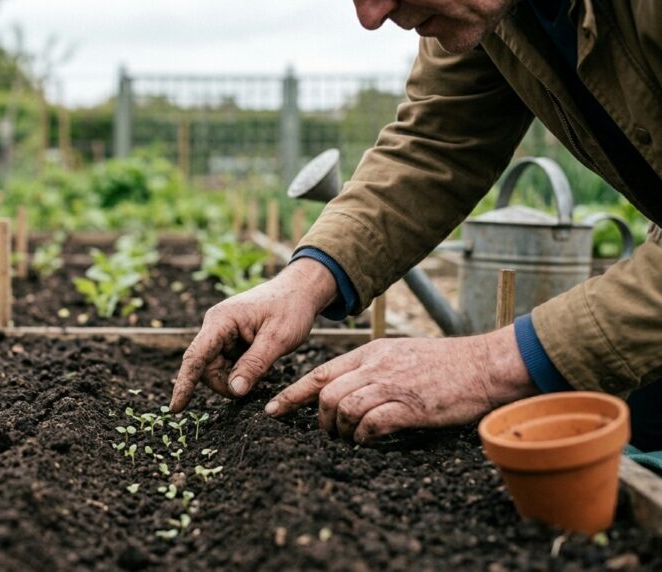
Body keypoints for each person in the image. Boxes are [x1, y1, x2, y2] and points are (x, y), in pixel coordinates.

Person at [169, 0, 662, 450]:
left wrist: (486, 367)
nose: (371, 15)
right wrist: (304, 280)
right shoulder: (500, 17)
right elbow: (437, 140)